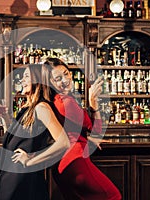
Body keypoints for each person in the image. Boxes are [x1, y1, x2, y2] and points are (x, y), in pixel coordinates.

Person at [0, 64, 70, 200]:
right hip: (12, 175)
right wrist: (4, 116)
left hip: (24, 179)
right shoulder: (27, 108)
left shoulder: (41, 107)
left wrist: (30, 161)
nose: (22, 80)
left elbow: (64, 143)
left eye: (26, 76)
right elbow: (16, 137)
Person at [43, 57, 122, 200]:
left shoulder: (56, 101)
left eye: (66, 73)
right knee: (113, 196)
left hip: (63, 165)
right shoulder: (66, 103)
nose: (65, 80)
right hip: (76, 162)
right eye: (58, 78)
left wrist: (88, 136)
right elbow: (96, 130)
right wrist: (93, 102)